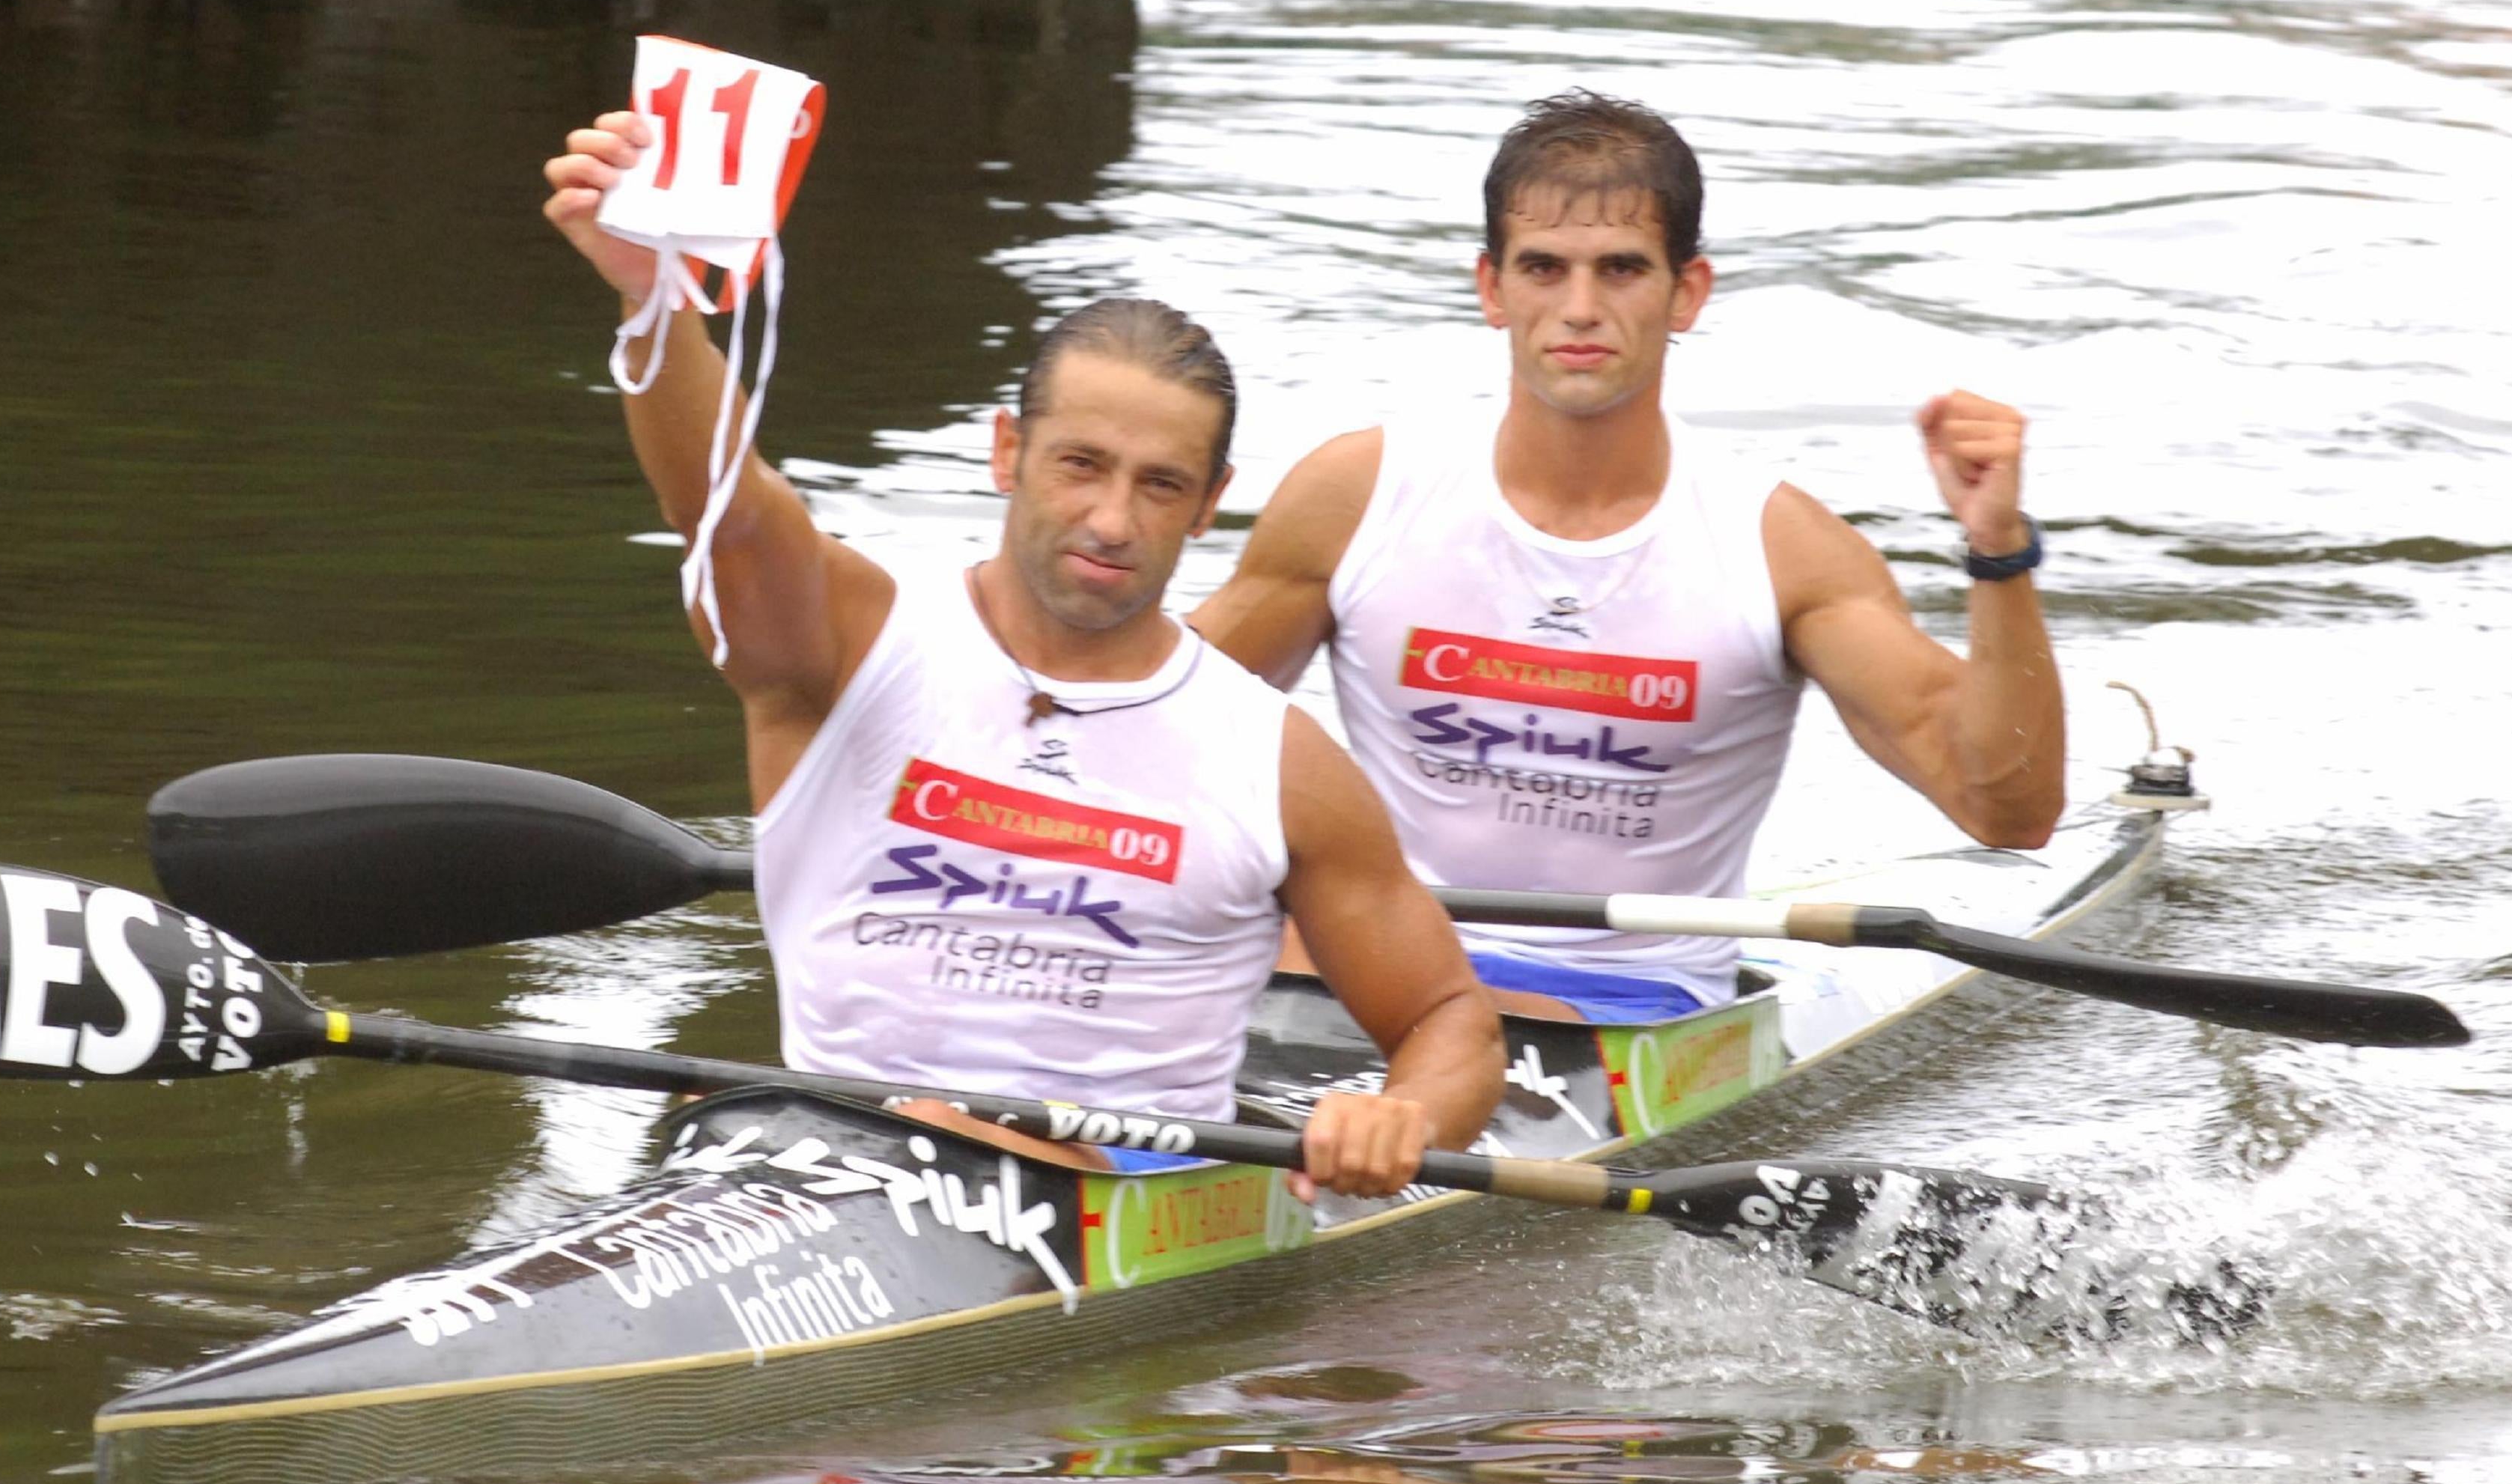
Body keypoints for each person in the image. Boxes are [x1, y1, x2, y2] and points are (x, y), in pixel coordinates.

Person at [541, 109, 1500, 1199]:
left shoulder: (1279, 764)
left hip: (1118, 1194)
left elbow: (1450, 1020)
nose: (1112, 520)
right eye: (1080, 465)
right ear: (1007, 451)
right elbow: (728, 510)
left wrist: (1402, 1114)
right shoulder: (852, 646)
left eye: (1160, 486)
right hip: (823, 1154)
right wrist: (653, 308)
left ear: (1209, 505)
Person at [1189, 89, 2065, 1021]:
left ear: (1687, 293)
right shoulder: (1357, 497)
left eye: (1620, 270)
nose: (1579, 309)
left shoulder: (1784, 552)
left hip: (1624, 1004)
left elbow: (2006, 809)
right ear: (1492, 288)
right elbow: (1141, 728)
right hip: (1363, 968)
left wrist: (1998, 552)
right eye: (1543, 268)